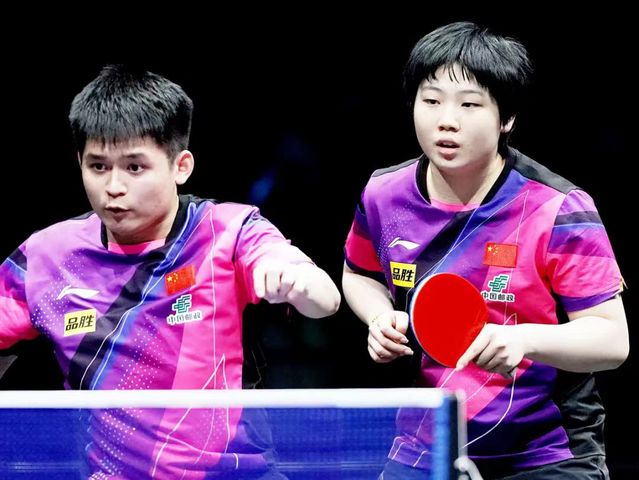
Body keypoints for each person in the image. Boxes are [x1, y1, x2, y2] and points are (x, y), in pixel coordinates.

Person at [0, 64, 340, 479]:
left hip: (235, 473)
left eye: (135, 167)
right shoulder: (48, 256)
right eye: (98, 166)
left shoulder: (227, 231)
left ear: (181, 166)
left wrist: (296, 280)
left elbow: (325, 301)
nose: (114, 187)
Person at [342, 21, 628, 479]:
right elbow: (358, 273)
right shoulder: (384, 195)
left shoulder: (557, 208)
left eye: (469, 104)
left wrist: (525, 339)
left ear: (506, 118)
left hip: (547, 453)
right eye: (431, 100)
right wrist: (378, 316)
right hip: (425, 445)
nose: (446, 120)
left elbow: (612, 340)